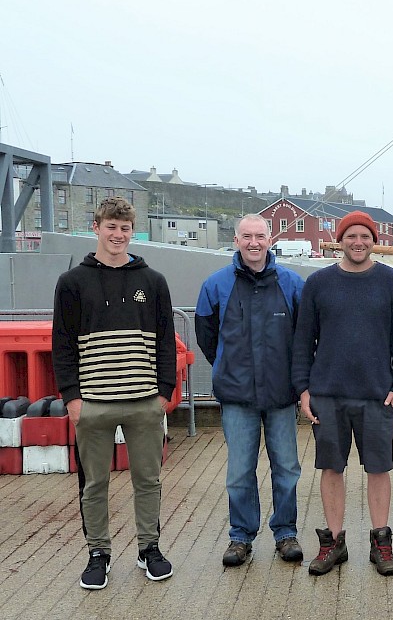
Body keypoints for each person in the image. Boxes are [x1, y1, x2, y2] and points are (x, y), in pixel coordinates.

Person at [52, 196, 176, 589]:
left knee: (148, 480)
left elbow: (166, 343)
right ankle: (98, 553)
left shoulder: (153, 281)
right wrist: (72, 397)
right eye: (111, 227)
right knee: (94, 483)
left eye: (125, 228)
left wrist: (163, 393)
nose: (118, 235)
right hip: (93, 402)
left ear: (131, 231)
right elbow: (63, 343)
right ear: (97, 227)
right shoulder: (72, 282)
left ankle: (148, 548)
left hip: (144, 401)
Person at [292, 210, 393, 576]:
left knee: (378, 468)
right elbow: (302, 341)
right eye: (351, 236)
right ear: (340, 240)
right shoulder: (318, 284)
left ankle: (381, 542)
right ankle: (334, 542)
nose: (358, 242)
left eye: (364, 236)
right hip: (328, 393)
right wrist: (303, 389)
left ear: (373, 241)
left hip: (377, 395)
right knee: (332, 468)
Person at [195, 214, 305, 567]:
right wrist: (230, 369)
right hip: (237, 397)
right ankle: (240, 537)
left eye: (260, 236)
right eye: (247, 236)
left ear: (270, 239)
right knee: (240, 472)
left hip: (281, 395)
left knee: (286, 468)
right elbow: (207, 339)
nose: (254, 243)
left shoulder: (291, 284)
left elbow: (304, 339)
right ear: (236, 239)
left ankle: (285, 532)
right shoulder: (216, 286)